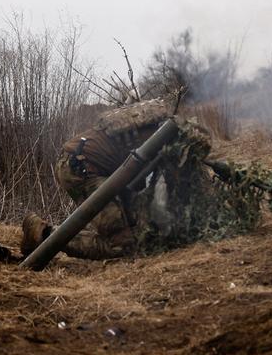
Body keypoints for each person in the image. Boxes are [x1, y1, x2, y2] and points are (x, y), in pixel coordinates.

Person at [21, 98, 219, 260]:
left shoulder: (159, 124)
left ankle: (48, 235)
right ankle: (43, 234)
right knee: (120, 246)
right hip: (81, 170)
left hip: (82, 163)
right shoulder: (166, 140)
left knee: (131, 225)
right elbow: (160, 191)